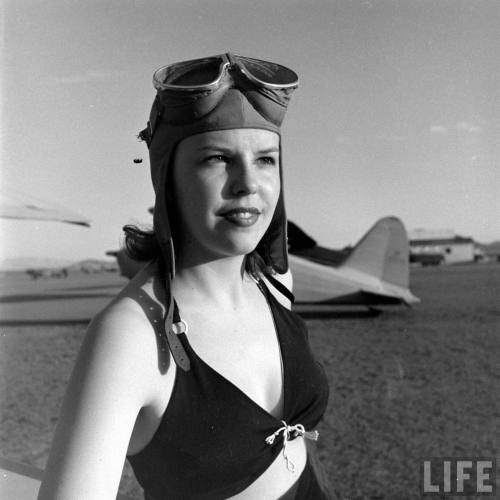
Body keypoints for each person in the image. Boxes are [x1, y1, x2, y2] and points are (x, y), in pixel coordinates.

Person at [38, 53, 330, 500]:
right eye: (217, 158)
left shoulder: (274, 284)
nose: (248, 183)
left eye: (266, 160)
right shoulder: (130, 335)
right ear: (166, 177)